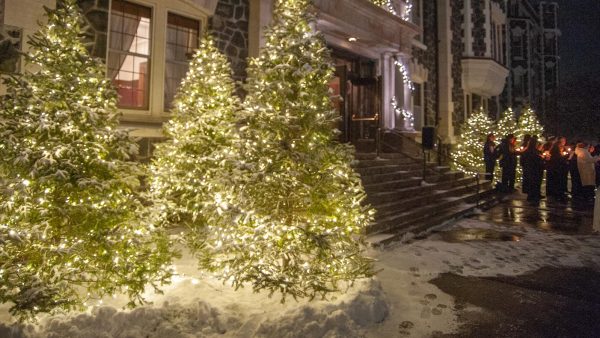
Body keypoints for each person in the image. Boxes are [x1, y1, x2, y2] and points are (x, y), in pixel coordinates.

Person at [521, 136, 544, 202]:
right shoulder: (531, 151)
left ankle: (535, 195)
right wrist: (541, 158)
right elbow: (535, 159)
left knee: (535, 182)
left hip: (533, 169)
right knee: (533, 183)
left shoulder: (531, 151)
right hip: (533, 169)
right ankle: (532, 196)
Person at [546, 137, 569, 202]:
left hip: (557, 168)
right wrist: (565, 157)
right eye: (562, 141)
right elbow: (558, 159)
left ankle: (557, 194)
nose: (563, 143)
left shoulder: (559, 149)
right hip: (556, 168)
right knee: (556, 181)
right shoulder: (555, 151)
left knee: (557, 181)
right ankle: (556, 195)